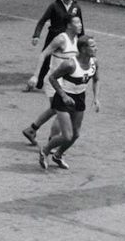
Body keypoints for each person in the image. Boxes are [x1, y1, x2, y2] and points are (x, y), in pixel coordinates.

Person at [38, 36, 100, 170]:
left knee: (76, 134)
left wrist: (96, 98)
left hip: (79, 98)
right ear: (83, 49)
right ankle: (45, 150)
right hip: (64, 99)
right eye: (93, 46)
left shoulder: (94, 62)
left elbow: (96, 79)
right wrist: (63, 95)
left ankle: (58, 155)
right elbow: (52, 78)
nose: (96, 48)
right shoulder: (70, 64)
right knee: (67, 136)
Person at [22, 15, 81, 145]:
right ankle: (52, 143)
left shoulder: (76, 40)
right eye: (77, 23)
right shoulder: (61, 39)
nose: (80, 25)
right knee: (62, 111)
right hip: (54, 81)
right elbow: (43, 54)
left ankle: (32, 129)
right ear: (69, 25)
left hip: (66, 83)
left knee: (55, 109)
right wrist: (36, 76)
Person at [28, 0, 84, 91]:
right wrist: (36, 35)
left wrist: (82, 41)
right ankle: (38, 82)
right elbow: (42, 21)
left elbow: (80, 24)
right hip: (53, 37)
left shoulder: (76, 7)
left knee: (69, 60)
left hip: (69, 38)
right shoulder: (54, 6)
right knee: (46, 60)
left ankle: (67, 84)